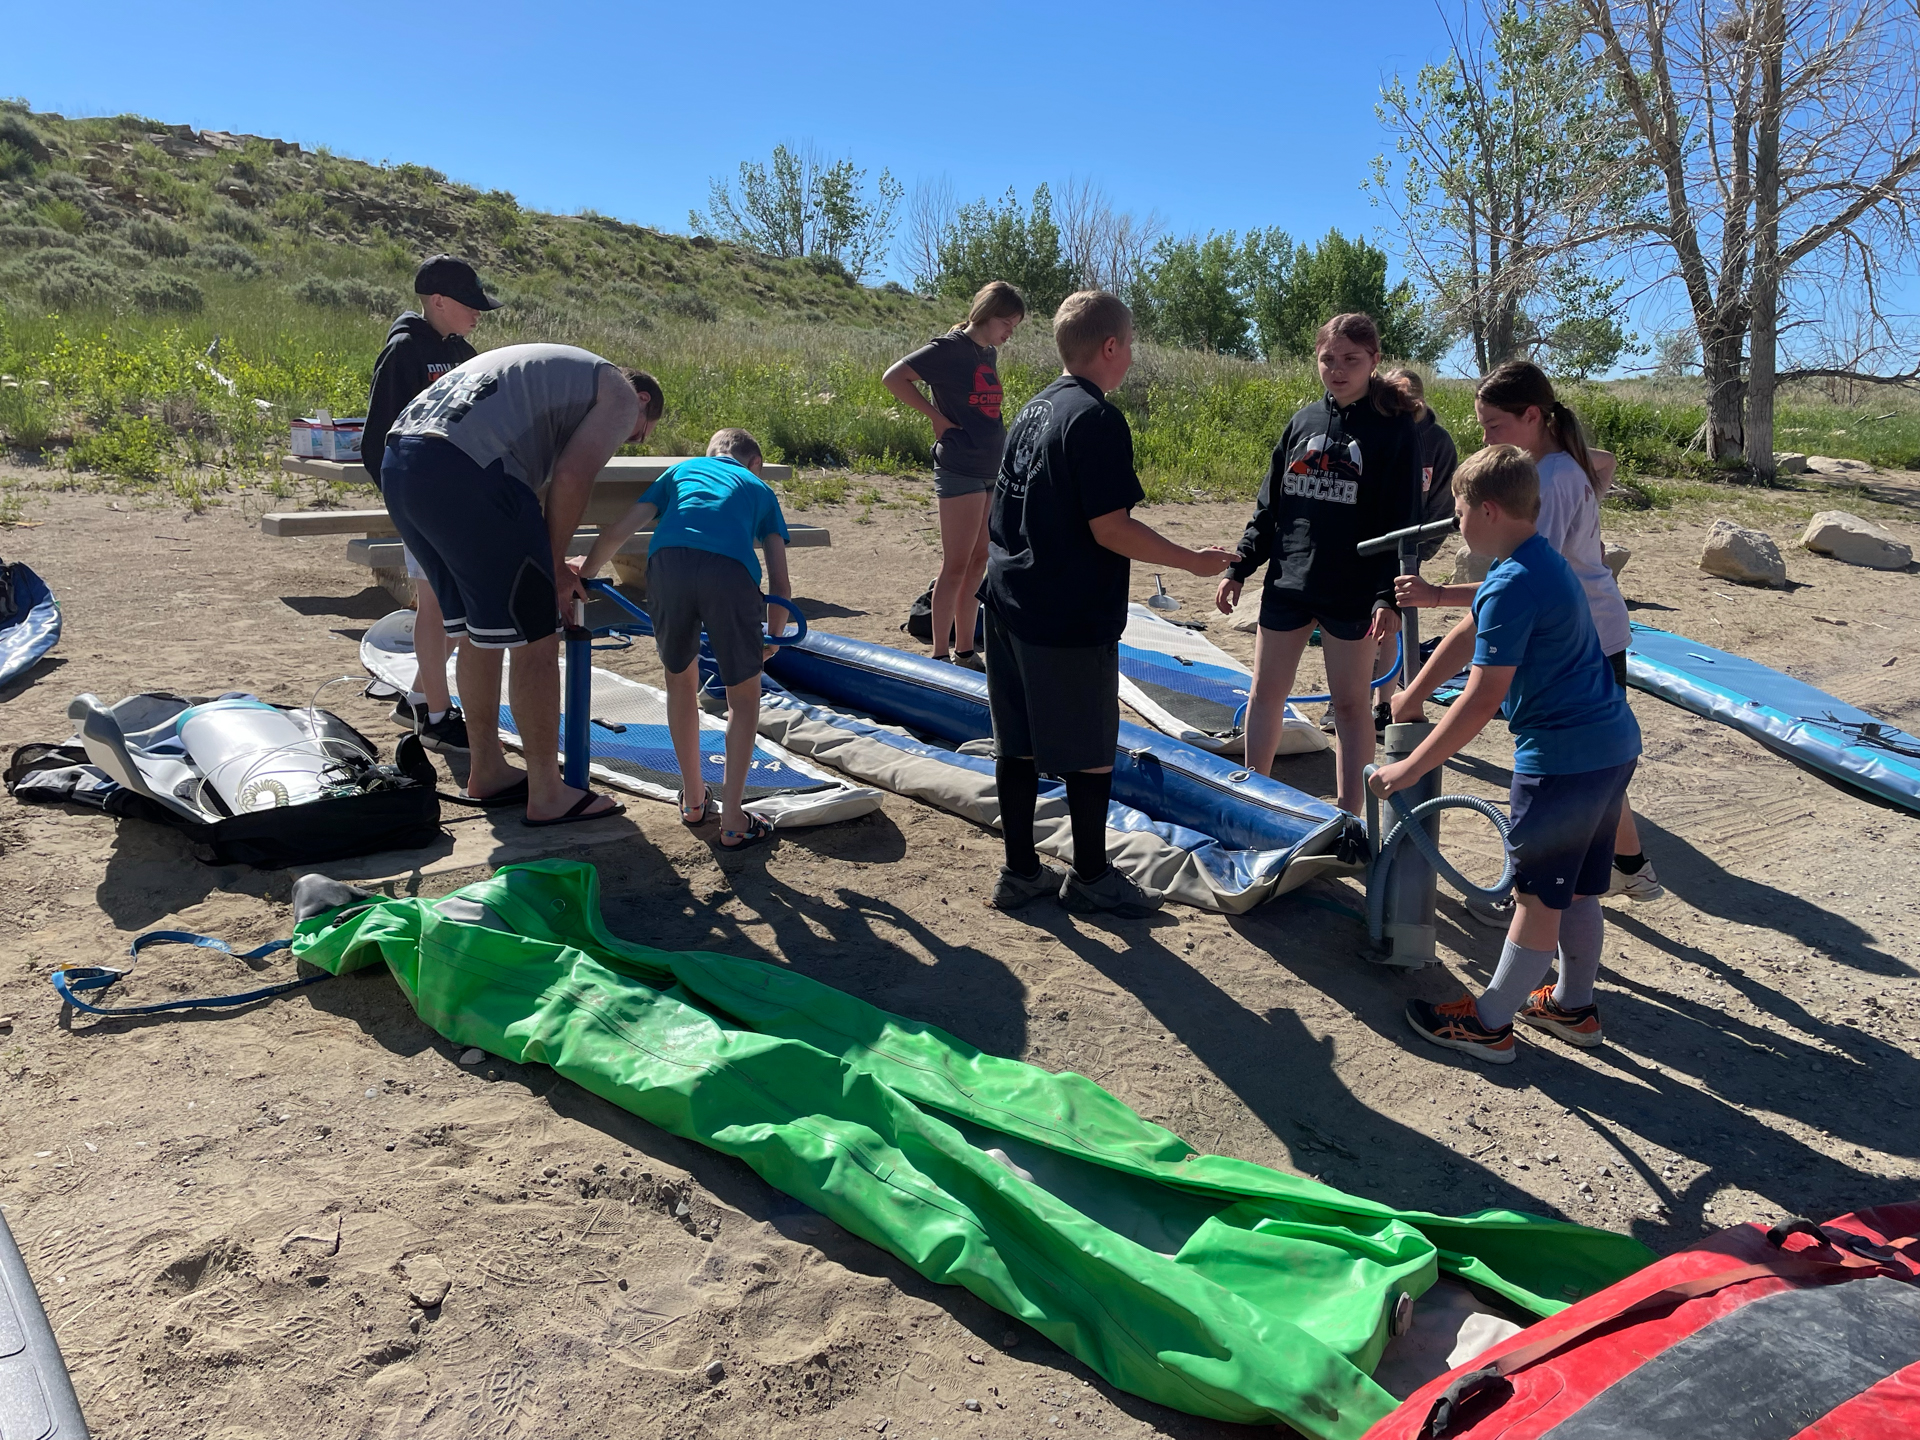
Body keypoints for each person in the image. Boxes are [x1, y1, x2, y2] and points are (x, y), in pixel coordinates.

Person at [1373, 445, 1642, 1065]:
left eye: (1460, 509)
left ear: (1488, 510)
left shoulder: (1514, 582)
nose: (1456, 522)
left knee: (1535, 898)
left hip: (1561, 761)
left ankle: (1490, 1023)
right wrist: (1412, 693)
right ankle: (1571, 1007)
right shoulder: (1537, 561)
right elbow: (1472, 625)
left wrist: (1409, 768)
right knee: (1574, 890)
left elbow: (1482, 693)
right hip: (1612, 749)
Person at [984, 290, 1235, 917]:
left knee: (1015, 744)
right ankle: (1092, 878)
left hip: (1009, 599)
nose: (1130, 357)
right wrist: (1191, 560)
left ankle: (1021, 871)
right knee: (1091, 750)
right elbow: (1110, 526)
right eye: (1130, 345)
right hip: (1063, 613)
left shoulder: (1035, 407)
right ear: (1111, 347)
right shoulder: (1095, 419)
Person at [1390, 360, 1663, 903]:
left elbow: (1513, 593)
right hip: (1591, 630)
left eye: (1495, 426)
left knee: (1575, 772)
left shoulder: (1554, 482)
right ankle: (1626, 868)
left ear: (1533, 416)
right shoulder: (1552, 470)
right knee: (1597, 769)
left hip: (1587, 641)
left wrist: (1434, 618)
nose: (1485, 437)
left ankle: (1537, 896)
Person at [380, 343, 664, 826]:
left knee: (478, 631)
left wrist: (540, 553)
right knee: (536, 636)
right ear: (641, 402)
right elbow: (574, 477)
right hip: (466, 469)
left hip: (402, 461)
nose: (629, 441)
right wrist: (553, 566)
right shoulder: (617, 394)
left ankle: (487, 769)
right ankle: (549, 794)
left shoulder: (547, 375)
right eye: (638, 437)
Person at [1214, 313, 1422, 816]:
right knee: (1265, 694)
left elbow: (1403, 521)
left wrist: (1385, 596)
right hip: (1289, 580)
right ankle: (1251, 796)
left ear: (1373, 360)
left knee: (1350, 707)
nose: (1338, 369)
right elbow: (1271, 508)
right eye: (1328, 359)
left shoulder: (1395, 432)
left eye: (1351, 359)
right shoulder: (1303, 421)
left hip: (1352, 591)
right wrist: (1239, 566)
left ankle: (1350, 819)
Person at [571, 428, 791, 851]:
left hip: (666, 564)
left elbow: (619, 530)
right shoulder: (760, 489)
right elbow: (780, 580)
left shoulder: (682, 470)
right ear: (755, 464)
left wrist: (583, 576)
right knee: (743, 700)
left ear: (710, 454)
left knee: (679, 684)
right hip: (730, 573)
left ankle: (693, 800)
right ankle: (733, 820)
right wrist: (774, 635)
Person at [362, 255, 504, 753]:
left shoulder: (465, 351)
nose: (478, 313)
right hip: (422, 497)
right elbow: (377, 437)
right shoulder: (403, 351)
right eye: (470, 304)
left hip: (459, 497)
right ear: (437, 301)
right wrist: (405, 500)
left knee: (456, 605)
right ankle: (436, 715)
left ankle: (419, 696)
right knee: (437, 602)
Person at [882, 281, 1027, 670]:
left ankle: (966, 651)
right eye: (1006, 322)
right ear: (985, 313)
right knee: (956, 565)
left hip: (991, 469)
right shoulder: (948, 348)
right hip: (959, 467)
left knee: (980, 560)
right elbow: (894, 378)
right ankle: (939, 655)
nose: (1010, 332)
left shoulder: (988, 352)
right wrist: (936, 418)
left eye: (1014, 325)